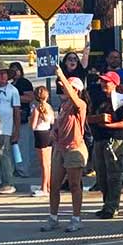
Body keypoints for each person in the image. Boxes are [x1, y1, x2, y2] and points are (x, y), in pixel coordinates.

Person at [42, 67, 89, 233]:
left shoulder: (80, 105)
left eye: (68, 86)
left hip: (75, 148)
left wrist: (61, 74)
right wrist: (53, 133)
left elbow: (75, 98)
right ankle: (53, 218)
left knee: (75, 185)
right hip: (60, 148)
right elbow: (58, 126)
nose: (64, 88)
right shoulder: (63, 107)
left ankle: (76, 218)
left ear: (77, 90)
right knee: (54, 185)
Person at [88, 71, 123, 218]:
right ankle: (106, 203)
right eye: (102, 81)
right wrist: (98, 119)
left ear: (114, 84)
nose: (103, 84)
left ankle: (112, 207)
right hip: (99, 139)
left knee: (113, 175)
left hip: (114, 140)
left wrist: (109, 125)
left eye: (106, 81)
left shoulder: (121, 100)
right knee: (101, 175)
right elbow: (89, 118)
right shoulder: (99, 99)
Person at [0, 61, 22, 195]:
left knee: (4, 154)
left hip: (6, 127)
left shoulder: (13, 91)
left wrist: (16, 130)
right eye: (0, 74)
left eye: (4, 74)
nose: (2, 77)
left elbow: (16, 111)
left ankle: (8, 182)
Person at [30, 86, 55, 197]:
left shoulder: (36, 109)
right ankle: (49, 185)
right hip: (48, 133)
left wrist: (32, 117)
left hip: (40, 134)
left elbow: (33, 126)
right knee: (48, 163)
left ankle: (44, 187)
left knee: (43, 164)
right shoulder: (49, 107)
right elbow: (53, 121)